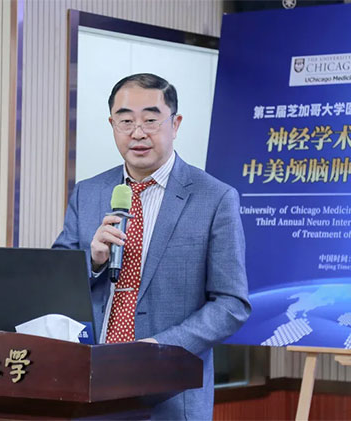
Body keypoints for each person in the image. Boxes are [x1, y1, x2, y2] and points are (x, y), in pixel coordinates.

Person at [53, 73, 250, 420]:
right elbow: (54, 281)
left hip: (171, 396)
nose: (138, 133)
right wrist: (93, 261)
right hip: (90, 389)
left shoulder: (215, 198)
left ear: (175, 124)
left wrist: (161, 347)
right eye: (126, 121)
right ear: (112, 125)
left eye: (150, 120)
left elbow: (231, 304)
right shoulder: (89, 192)